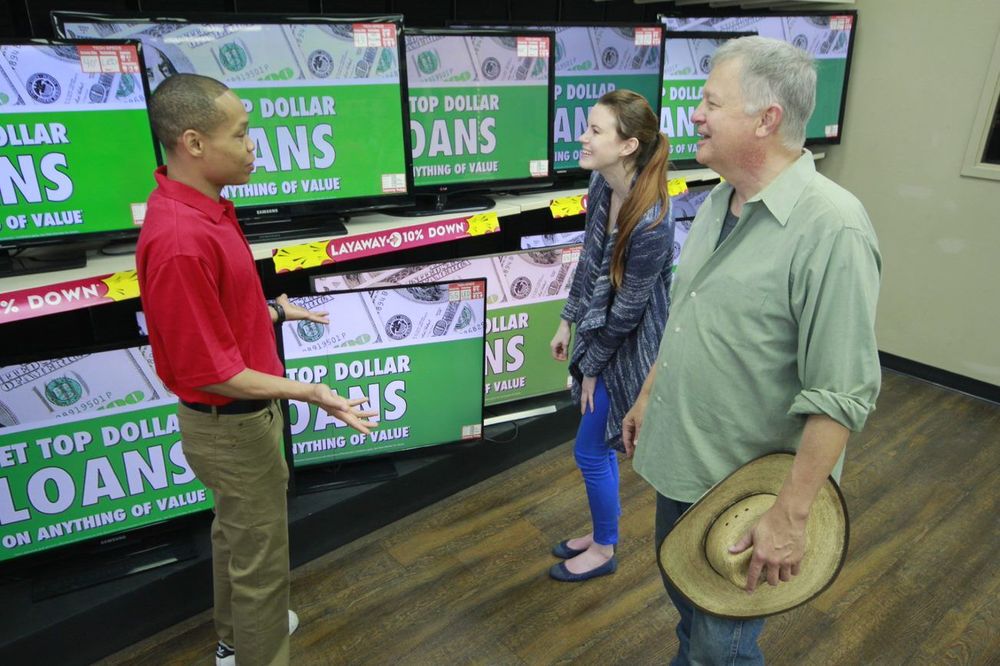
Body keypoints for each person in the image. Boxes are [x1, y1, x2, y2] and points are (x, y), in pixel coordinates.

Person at [622, 36, 881, 664]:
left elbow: (842, 394)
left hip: (747, 498)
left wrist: (790, 517)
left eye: (711, 103)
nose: (695, 115)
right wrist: (650, 394)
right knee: (690, 622)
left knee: (722, 649)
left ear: (766, 119)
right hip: (683, 464)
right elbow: (689, 315)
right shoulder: (719, 199)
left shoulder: (834, 228)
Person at [136, 73, 377, 666]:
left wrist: (273, 311)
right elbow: (211, 371)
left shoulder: (208, 209)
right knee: (262, 565)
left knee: (237, 538)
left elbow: (216, 315)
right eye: (241, 134)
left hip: (239, 424)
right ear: (194, 143)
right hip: (232, 427)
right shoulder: (179, 239)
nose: (253, 147)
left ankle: (235, 639)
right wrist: (313, 392)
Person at [548, 89, 674, 582]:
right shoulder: (603, 184)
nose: (582, 137)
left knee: (590, 449)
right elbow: (591, 259)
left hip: (634, 346)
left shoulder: (653, 220)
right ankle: (604, 533)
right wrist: (567, 319)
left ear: (627, 146)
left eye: (595, 130)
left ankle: (603, 549)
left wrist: (591, 367)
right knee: (597, 446)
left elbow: (627, 314)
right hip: (605, 337)